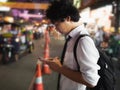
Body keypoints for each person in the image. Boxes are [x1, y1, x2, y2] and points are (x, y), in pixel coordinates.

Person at [40, 0, 100, 90]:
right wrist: (59, 63)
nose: (56, 28)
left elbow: (91, 81)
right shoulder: (72, 38)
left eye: (57, 24)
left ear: (68, 18)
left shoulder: (83, 41)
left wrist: (59, 68)